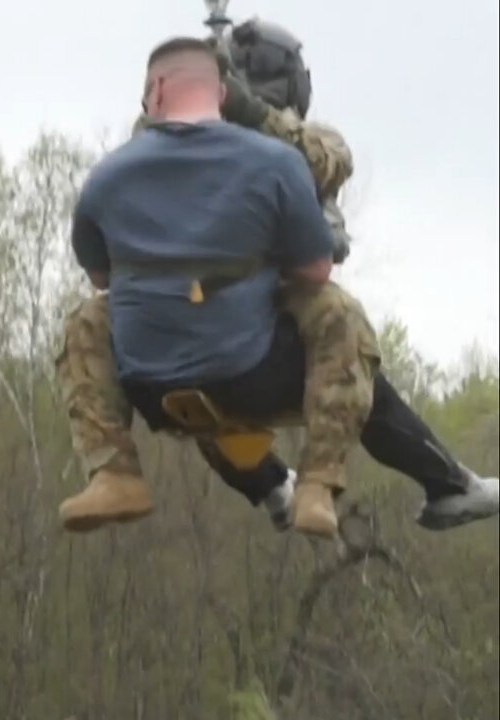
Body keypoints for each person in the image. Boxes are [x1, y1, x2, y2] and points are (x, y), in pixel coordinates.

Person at [69, 27, 500, 533]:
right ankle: (332, 484)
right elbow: (316, 256)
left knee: (237, 362)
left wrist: (249, 117)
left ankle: (282, 487)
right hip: (234, 337)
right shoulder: (208, 150)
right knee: (338, 337)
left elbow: (329, 161)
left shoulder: (285, 142)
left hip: (209, 337)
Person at [55, 35, 381, 539]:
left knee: (86, 319)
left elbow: (101, 277)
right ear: (223, 94)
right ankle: (319, 482)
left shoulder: (108, 175)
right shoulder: (277, 160)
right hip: (244, 362)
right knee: (337, 311)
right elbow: (317, 268)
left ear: (157, 90)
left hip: (148, 372)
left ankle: (113, 471)